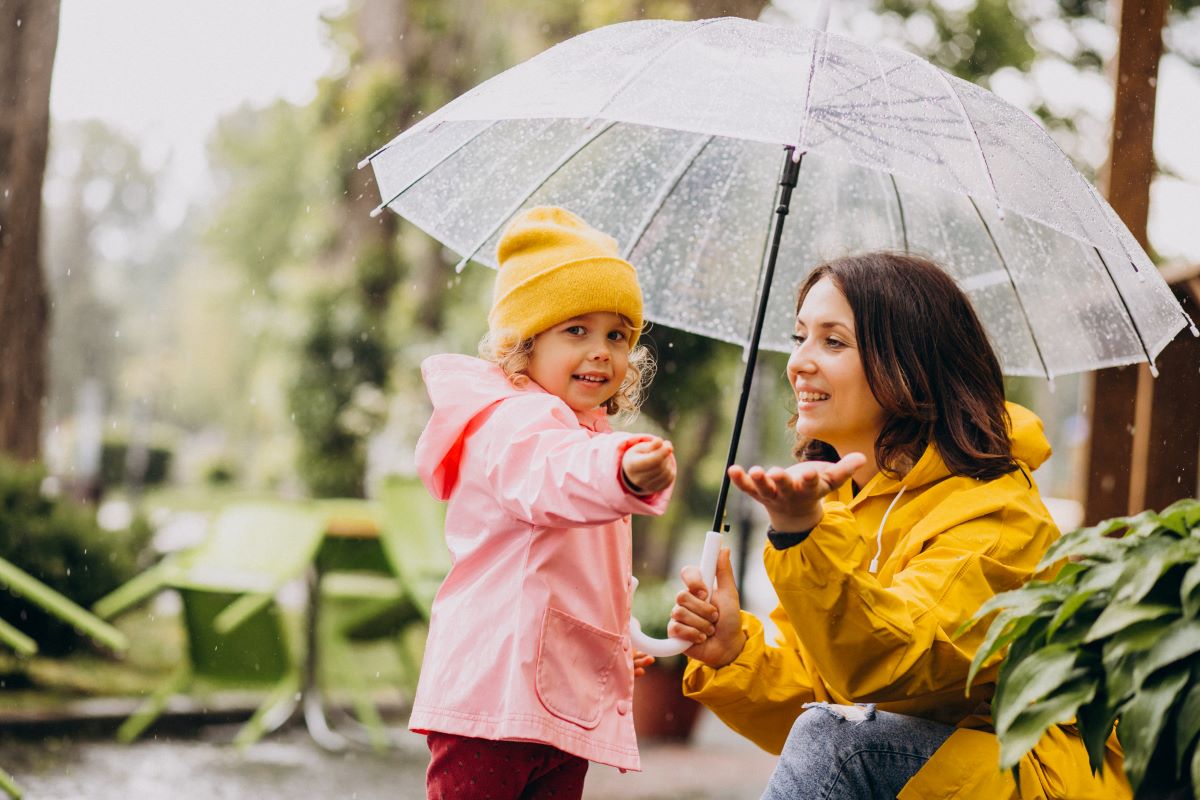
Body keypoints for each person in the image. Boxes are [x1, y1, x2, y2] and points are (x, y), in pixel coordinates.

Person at [668, 252, 1130, 799]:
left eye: (832, 341)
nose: (799, 363)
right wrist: (733, 651)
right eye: (799, 338)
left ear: (909, 363)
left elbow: (893, 663)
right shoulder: (845, 504)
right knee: (832, 736)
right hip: (933, 771)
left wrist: (799, 536)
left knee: (839, 745)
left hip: (1034, 777)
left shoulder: (998, 513)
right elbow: (830, 694)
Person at [412, 206, 677, 799]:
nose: (601, 351)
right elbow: (552, 478)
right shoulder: (513, 422)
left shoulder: (587, 435)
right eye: (575, 330)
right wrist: (622, 471)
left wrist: (605, 642)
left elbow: (574, 572)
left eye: (617, 335)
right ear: (523, 344)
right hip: (491, 699)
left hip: (548, 703)